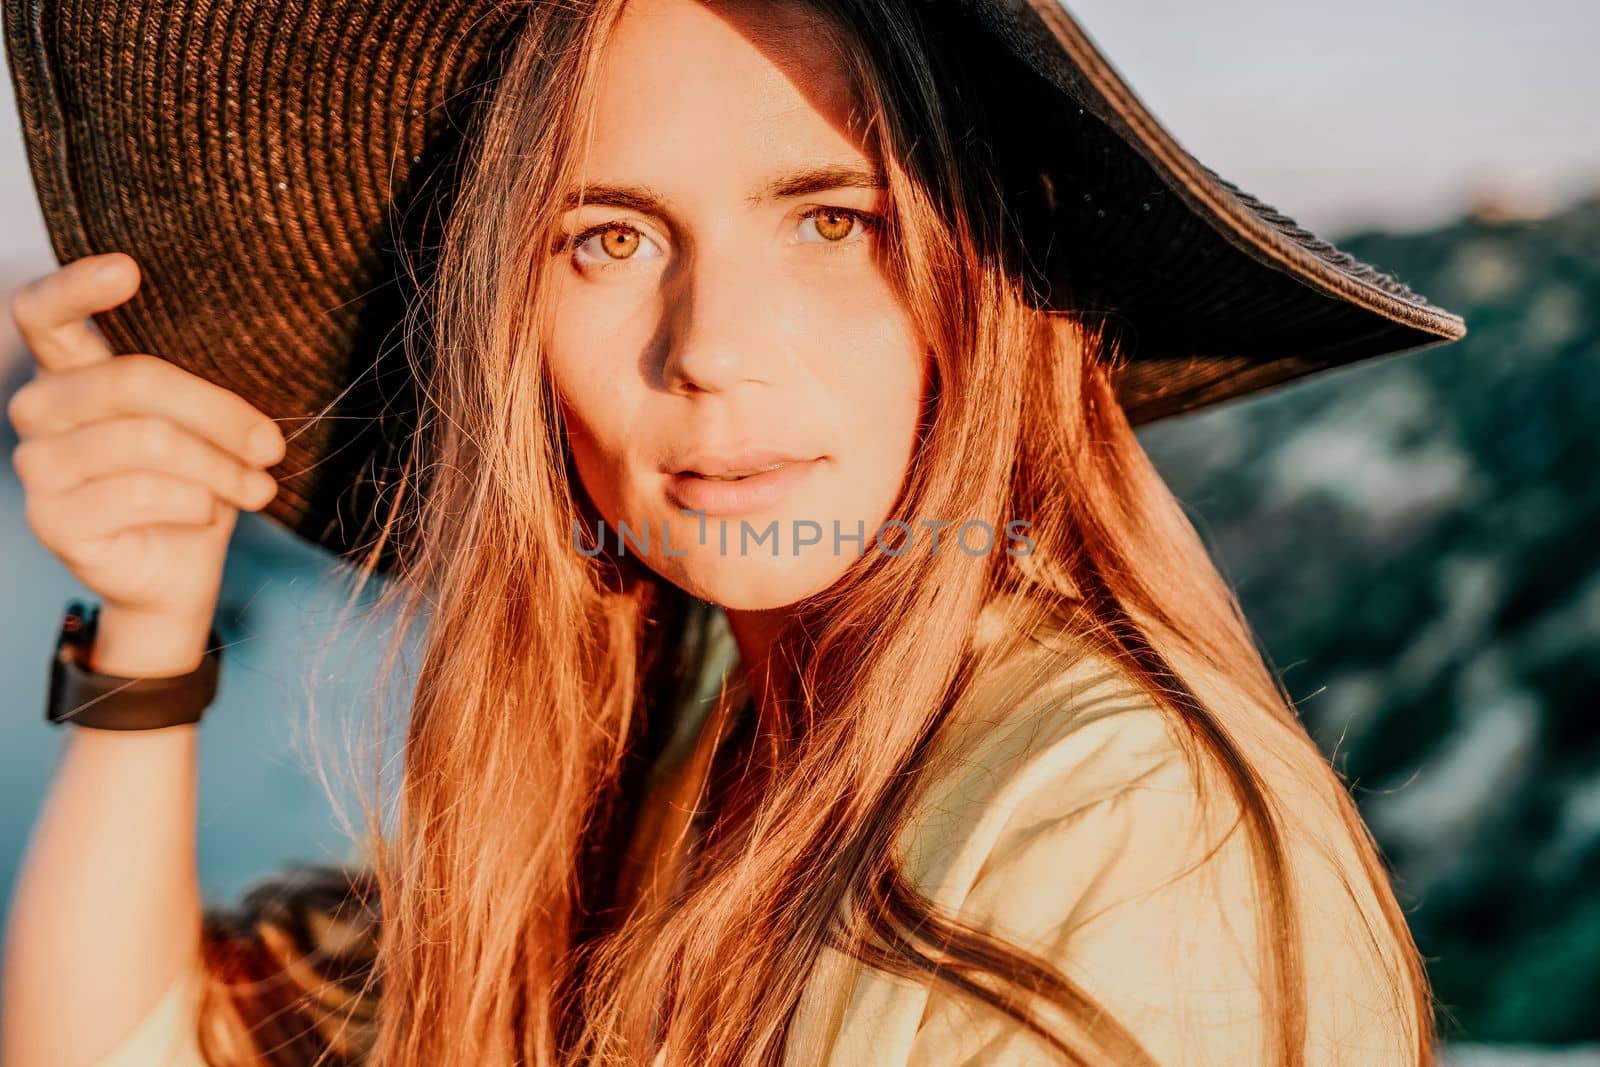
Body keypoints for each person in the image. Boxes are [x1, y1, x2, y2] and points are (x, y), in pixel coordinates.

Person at [0, 0, 1468, 1064]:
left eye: (834, 220)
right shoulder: (670, 736)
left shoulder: (1113, 828)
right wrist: (154, 618)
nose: (707, 347)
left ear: (989, 278)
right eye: (607, 238)